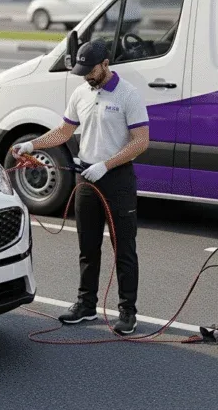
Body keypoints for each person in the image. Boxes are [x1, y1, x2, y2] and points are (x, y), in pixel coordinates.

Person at [12, 39, 149, 333]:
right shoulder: (81, 93)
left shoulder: (128, 94)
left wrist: (107, 165)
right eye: (83, 71)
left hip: (117, 178)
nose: (87, 76)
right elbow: (64, 131)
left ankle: (128, 312)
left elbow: (141, 141)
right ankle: (86, 305)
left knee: (123, 248)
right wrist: (32, 144)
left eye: (91, 70)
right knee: (87, 247)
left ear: (105, 64)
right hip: (86, 177)